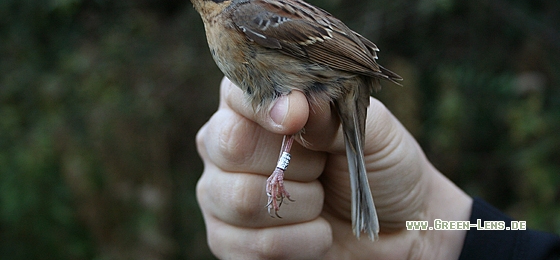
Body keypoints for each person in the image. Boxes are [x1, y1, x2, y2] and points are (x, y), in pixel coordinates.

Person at [195, 78, 560, 259]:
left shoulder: (244, 17)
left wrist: (425, 235)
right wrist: (426, 231)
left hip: (330, 76)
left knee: (293, 117)